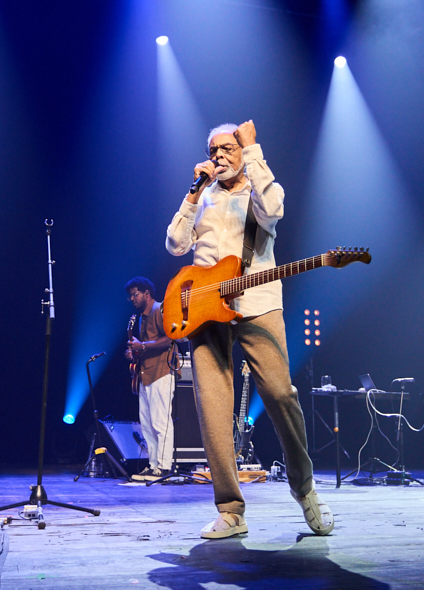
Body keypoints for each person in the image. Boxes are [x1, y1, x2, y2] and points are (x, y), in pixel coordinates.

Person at [166, 120, 333, 539]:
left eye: (228, 148)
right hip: (203, 309)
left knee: (279, 394)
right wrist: (192, 195)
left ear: (242, 151)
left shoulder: (260, 191)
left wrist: (255, 150)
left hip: (257, 303)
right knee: (214, 410)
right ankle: (230, 510)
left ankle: (305, 487)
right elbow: (174, 244)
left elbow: (274, 210)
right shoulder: (202, 197)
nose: (219, 155)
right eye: (213, 149)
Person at [123, 277, 176, 482]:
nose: (132, 299)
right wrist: (134, 354)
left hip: (161, 372)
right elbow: (145, 346)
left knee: (161, 422)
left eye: (135, 295)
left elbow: (170, 337)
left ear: (147, 294)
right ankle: (154, 465)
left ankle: (164, 468)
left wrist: (143, 346)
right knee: (147, 424)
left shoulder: (160, 309)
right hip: (145, 375)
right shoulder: (142, 318)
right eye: (130, 297)